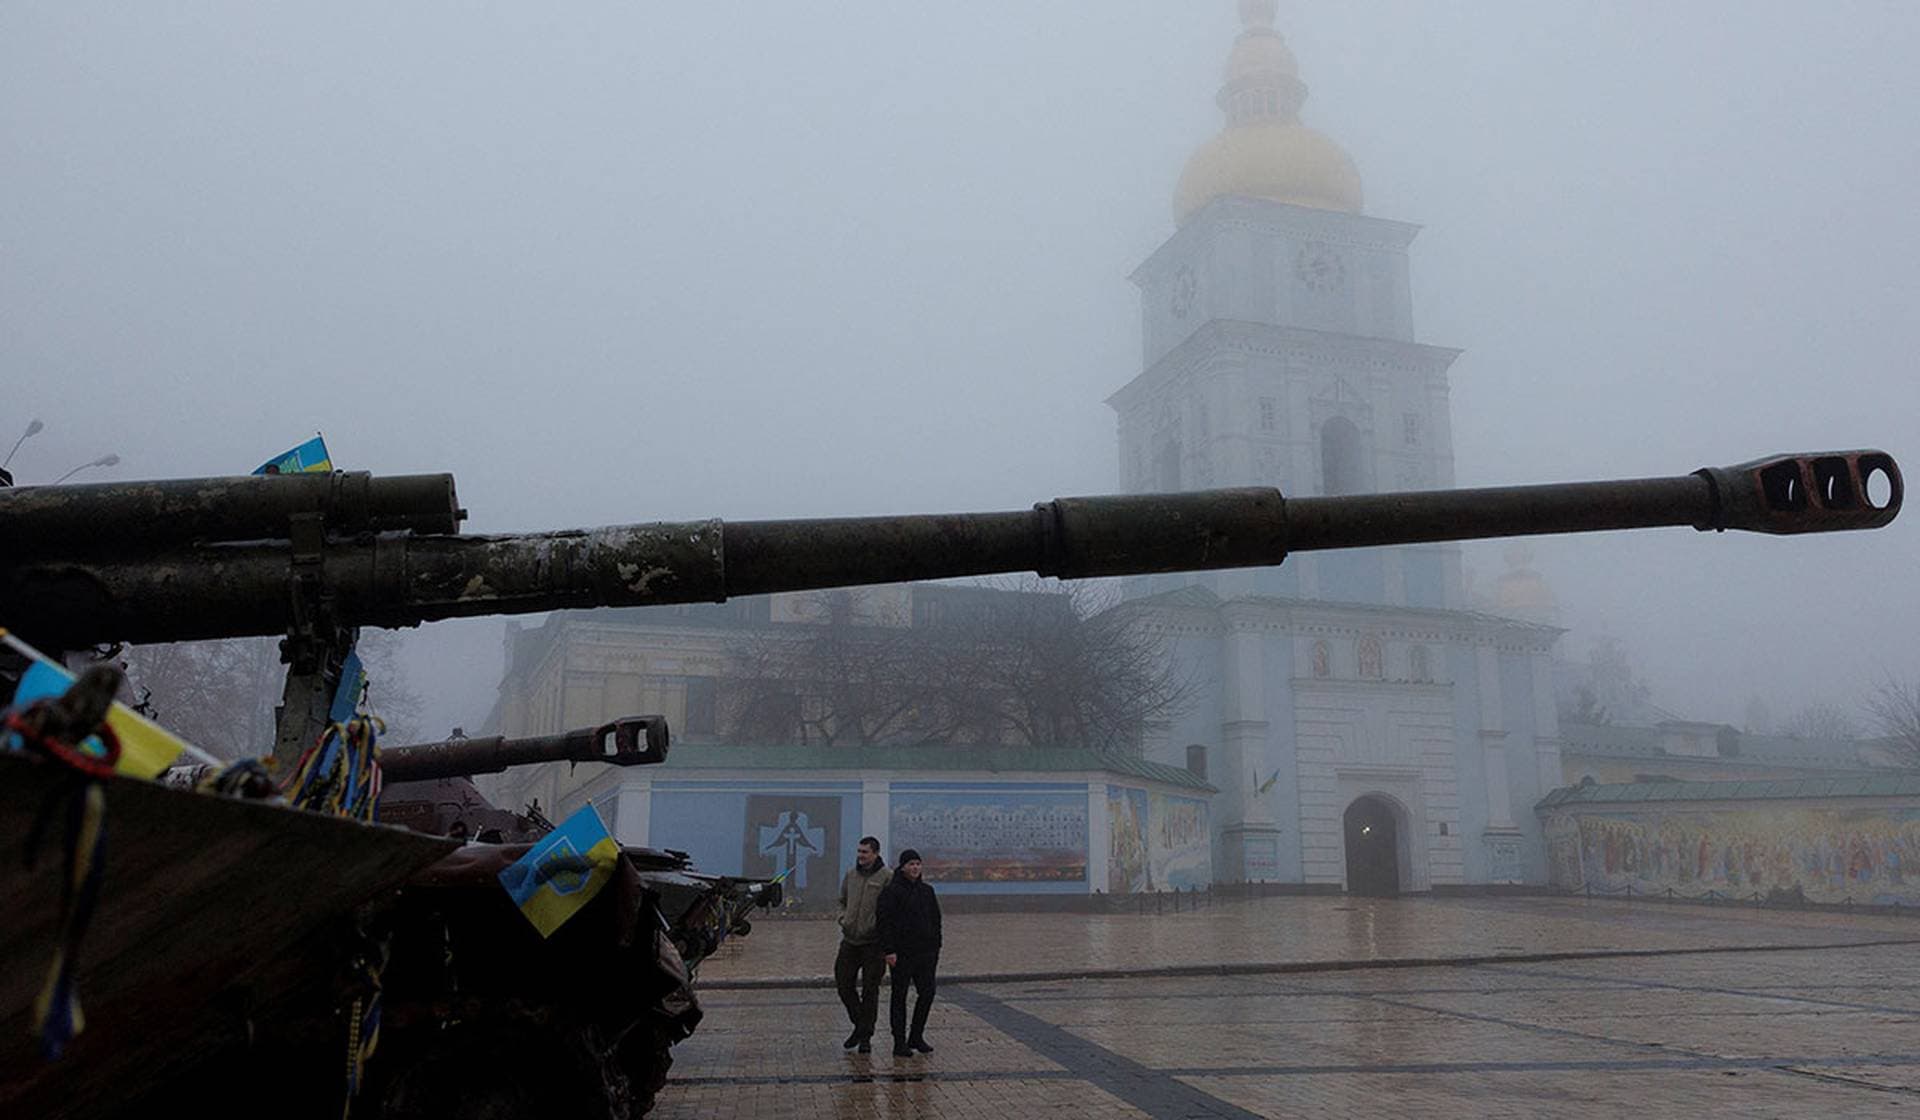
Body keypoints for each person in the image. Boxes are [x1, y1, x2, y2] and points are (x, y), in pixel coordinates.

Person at [876, 847, 941, 1058]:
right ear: (902, 867)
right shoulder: (892, 891)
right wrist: (889, 950)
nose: (915, 868)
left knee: (927, 993)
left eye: (917, 864)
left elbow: (936, 920)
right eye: (911, 864)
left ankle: (916, 1035)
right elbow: (884, 922)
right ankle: (899, 1041)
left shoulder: (927, 891)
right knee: (899, 997)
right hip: (901, 954)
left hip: (926, 953)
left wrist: (935, 946)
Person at [834, 836, 891, 1053]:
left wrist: (879, 929)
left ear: (875, 853)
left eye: (865, 852)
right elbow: (841, 901)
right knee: (843, 983)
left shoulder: (887, 877)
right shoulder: (851, 875)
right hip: (850, 939)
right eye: (859, 851)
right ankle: (860, 1025)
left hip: (873, 943)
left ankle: (865, 1036)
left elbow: (891, 909)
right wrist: (843, 918)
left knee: (870, 990)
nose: (860, 856)